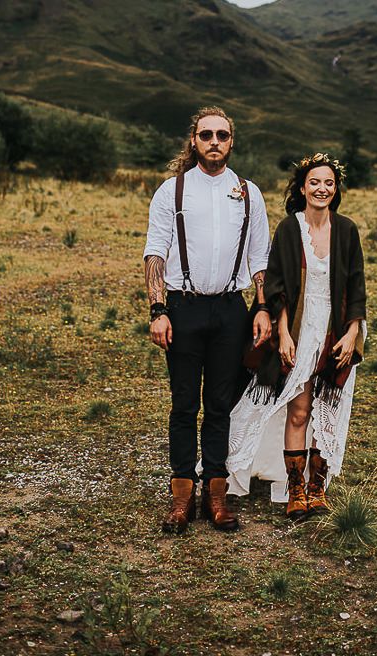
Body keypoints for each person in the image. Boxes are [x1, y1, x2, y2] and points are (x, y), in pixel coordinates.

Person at [143, 107, 271, 534]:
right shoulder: (171, 192)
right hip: (182, 308)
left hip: (232, 310)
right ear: (194, 141)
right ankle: (182, 499)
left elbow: (260, 258)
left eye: (222, 135)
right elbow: (155, 253)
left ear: (232, 142)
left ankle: (216, 496)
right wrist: (158, 310)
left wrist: (264, 306)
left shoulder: (249, 193)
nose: (214, 141)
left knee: (221, 404)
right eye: (206, 134)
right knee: (184, 405)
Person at [226, 153, 366, 520]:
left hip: (337, 329)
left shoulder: (347, 230)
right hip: (300, 330)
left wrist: (353, 332)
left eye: (329, 183)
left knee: (329, 410)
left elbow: (356, 286)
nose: (322, 189)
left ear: (336, 190)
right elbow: (278, 287)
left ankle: (318, 487)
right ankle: (296, 489)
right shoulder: (291, 228)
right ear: (302, 187)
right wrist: (284, 333)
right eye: (315, 182)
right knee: (300, 410)